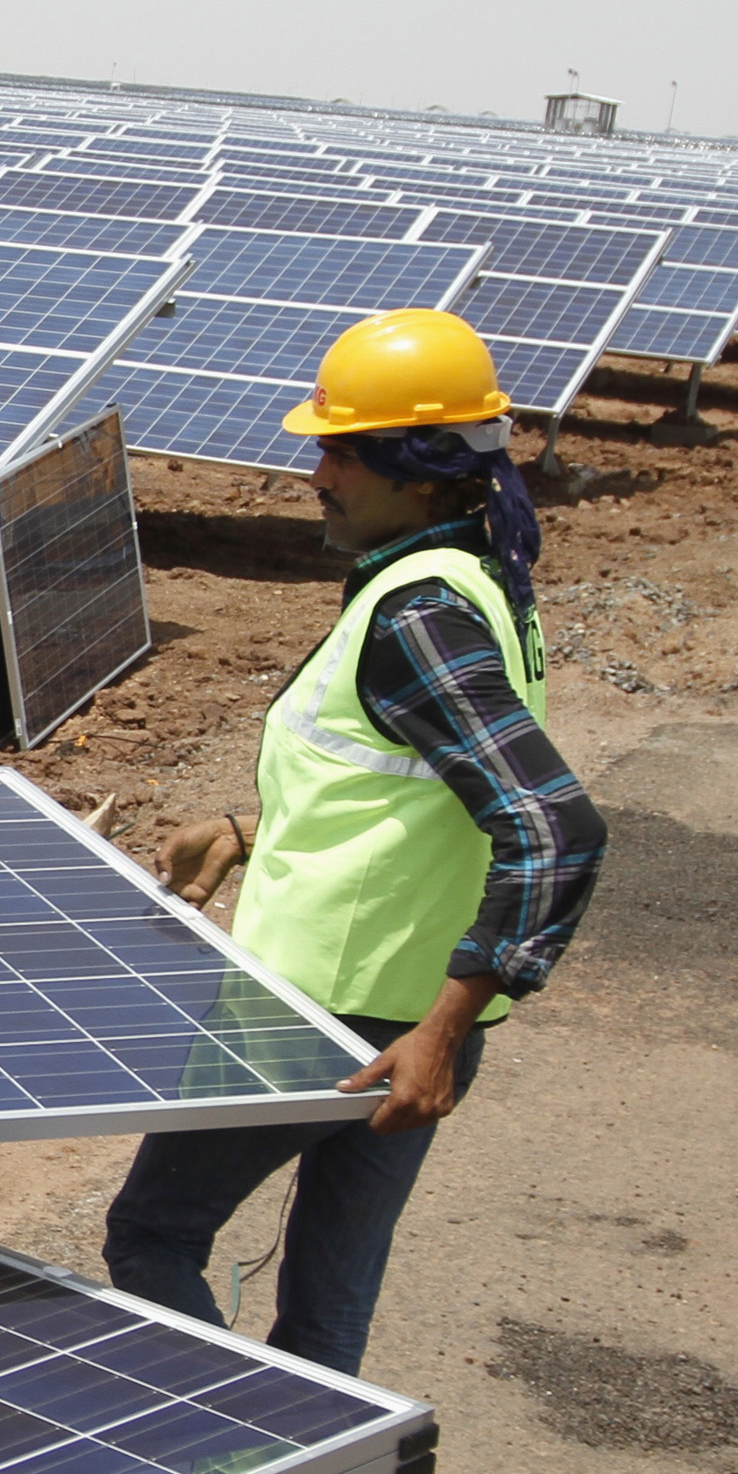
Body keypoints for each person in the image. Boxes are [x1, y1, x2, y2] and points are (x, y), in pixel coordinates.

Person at [103, 309, 605, 1378]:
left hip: (320, 1018)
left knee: (153, 1237)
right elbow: (410, 784)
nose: (315, 472)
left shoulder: (414, 615)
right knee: (327, 1302)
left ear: (420, 473)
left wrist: (440, 1026)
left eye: (341, 450)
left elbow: (550, 827)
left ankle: (214, 1466)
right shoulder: (480, 578)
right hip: (411, 1014)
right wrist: (248, 830)